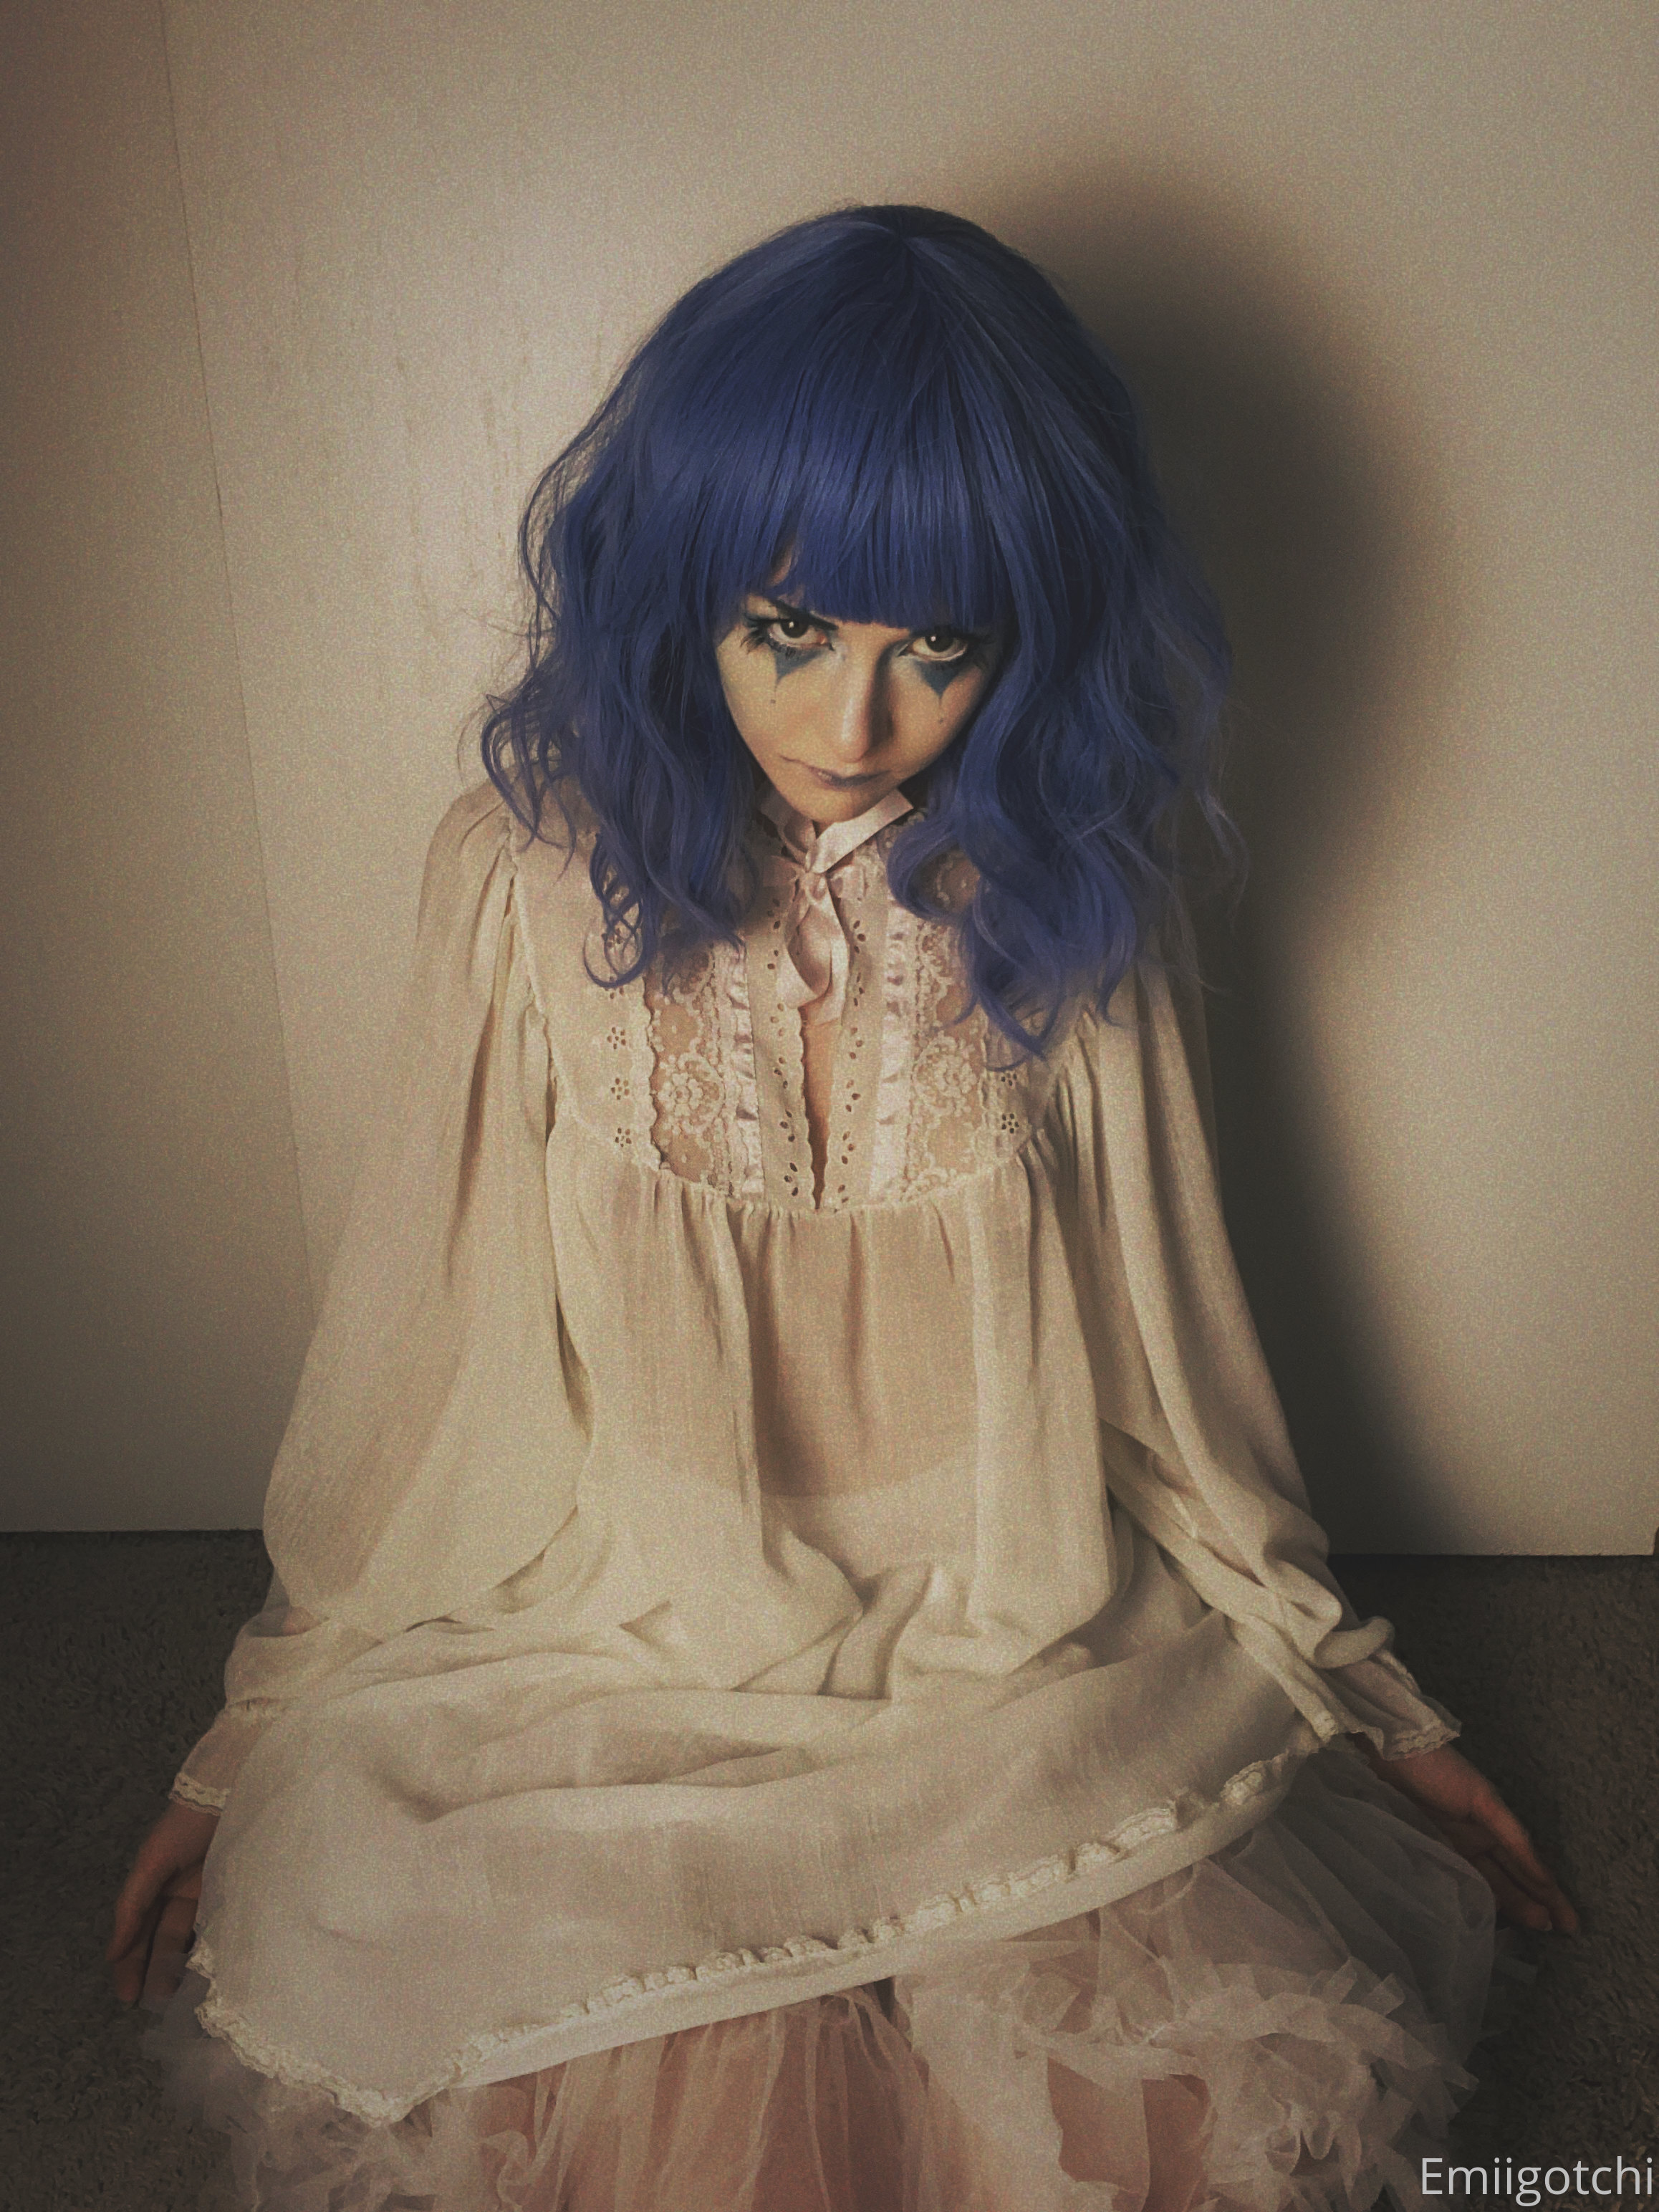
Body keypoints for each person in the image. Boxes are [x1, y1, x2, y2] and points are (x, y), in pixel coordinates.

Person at [110, 204, 1577, 2212]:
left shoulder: (1077, 906)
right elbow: (418, 1331)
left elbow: (1177, 1354)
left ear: (1028, 640)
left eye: (935, 649)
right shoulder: (522, 884)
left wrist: (1362, 1689)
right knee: (549, 2029)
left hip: (1004, 1636)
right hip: (627, 1618)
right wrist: (255, 1727)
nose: (852, 724)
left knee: (1128, 2079)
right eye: (787, 629)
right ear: (680, 589)